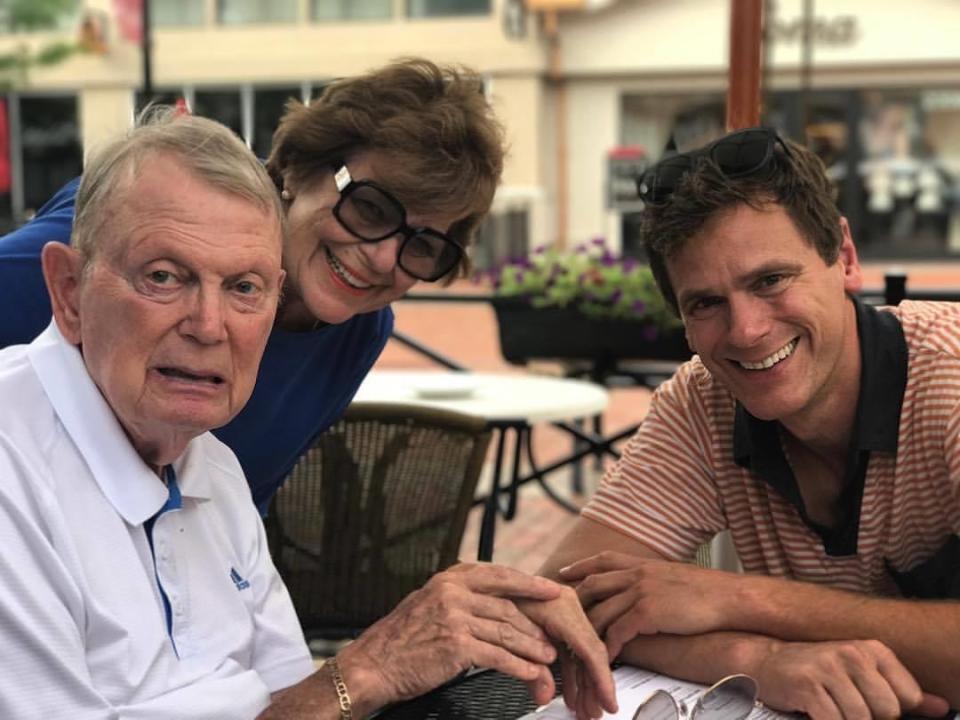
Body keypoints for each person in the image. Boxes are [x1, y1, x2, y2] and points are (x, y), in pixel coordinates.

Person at [0, 110, 617, 719]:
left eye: (244, 288)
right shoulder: (18, 473)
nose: (210, 327)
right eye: (164, 277)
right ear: (68, 292)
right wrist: (368, 670)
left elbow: (291, 698)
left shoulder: (210, 464)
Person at [540, 127, 960, 717]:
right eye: (706, 303)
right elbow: (563, 603)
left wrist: (742, 600)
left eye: (769, 281)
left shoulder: (950, 375)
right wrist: (756, 662)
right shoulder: (703, 402)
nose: (745, 331)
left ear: (843, 258)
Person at [0, 58, 504, 515]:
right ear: (298, 168)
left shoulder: (359, 329)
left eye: (422, 245)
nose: (383, 257)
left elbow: (231, 512)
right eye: (370, 208)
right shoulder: (140, 220)